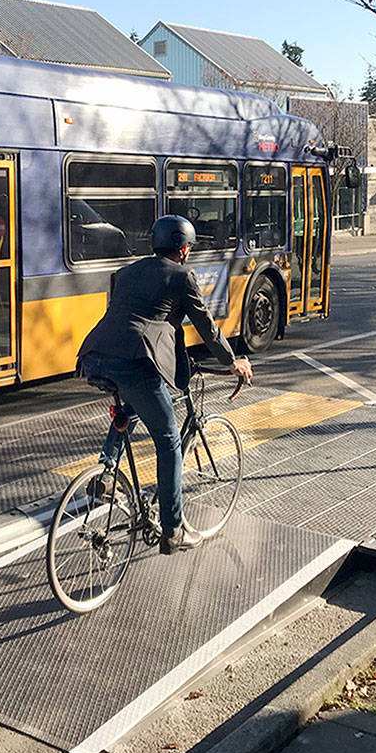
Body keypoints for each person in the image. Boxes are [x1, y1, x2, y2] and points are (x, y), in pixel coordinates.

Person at [77, 215, 254, 554]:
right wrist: (232, 362)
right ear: (183, 249)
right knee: (170, 440)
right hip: (135, 361)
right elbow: (205, 325)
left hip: (96, 353)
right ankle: (173, 530)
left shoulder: (128, 272)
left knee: (129, 406)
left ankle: (106, 475)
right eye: (188, 249)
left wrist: (178, 363)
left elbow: (150, 322)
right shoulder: (182, 276)